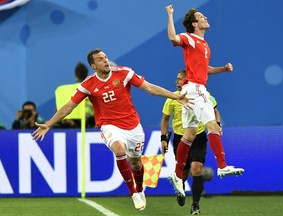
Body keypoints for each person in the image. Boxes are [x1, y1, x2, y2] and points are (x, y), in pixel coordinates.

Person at [32, 48, 192, 211]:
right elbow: (68, 107)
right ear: (94, 65)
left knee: (136, 164)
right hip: (109, 125)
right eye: (101, 59)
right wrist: (49, 124)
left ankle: (140, 189)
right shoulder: (88, 84)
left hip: (133, 126)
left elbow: (150, 88)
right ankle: (133, 194)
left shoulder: (124, 73)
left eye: (106, 57)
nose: (106, 60)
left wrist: (176, 96)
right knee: (119, 149)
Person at [165, 5, 244, 204]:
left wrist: (223, 69)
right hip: (196, 89)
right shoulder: (189, 38)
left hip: (189, 90)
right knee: (212, 125)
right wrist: (170, 15)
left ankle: (176, 173)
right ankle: (223, 165)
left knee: (189, 134)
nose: (205, 18)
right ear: (194, 24)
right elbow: (173, 38)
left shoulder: (204, 44)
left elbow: (205, 69)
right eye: (201, 16)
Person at [161, 70, 217, 214]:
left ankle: (195, 205)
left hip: (198, 137)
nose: (176, 82)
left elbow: (215, 109)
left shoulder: (203, 95)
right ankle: (180, 189)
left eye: (179, 79)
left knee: (196, 168)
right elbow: (165, 120)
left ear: (187, 81)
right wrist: (163, 139)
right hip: (181, 138)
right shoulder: (172, 98)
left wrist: (217, 125)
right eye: (177, 79)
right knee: (184, 173)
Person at [58, 62, 95, 128]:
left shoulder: (63, 90)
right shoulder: (92, 90)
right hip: (88, 126)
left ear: (75, 76)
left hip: (65, 125)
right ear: (87, 75)